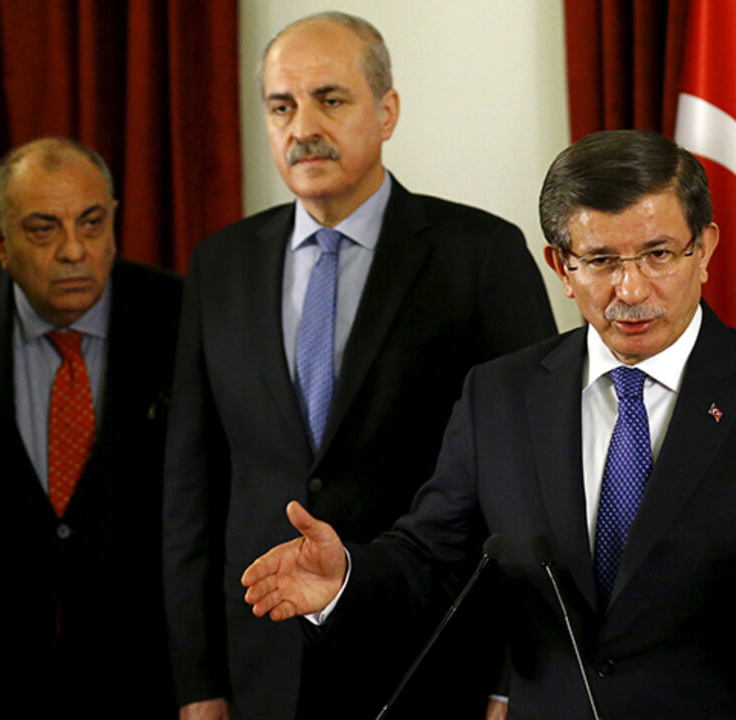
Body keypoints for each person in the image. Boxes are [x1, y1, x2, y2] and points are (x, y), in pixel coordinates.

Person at [240, 129, 736, 719]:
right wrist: (346, 579)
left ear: (705, 249)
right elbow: (430, 561)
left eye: (659, 254)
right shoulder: (499, 395)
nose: (631, 289)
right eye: (600, 260)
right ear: (561, 267)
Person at [161, 11, 557, 720]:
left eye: (330, 99)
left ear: (387, 111)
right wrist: (198, 683)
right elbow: (191, 485)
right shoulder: (219, 265)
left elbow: (532, 478)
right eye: (282, 106)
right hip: (261, 666)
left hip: (432, 660)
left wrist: (510, 678)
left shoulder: (481, 256)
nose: (303, 125)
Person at [0, 138, 180, 715]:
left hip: (147, 675)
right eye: (43, 229)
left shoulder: (182, 318)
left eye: (91, 223)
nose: (74, 251)